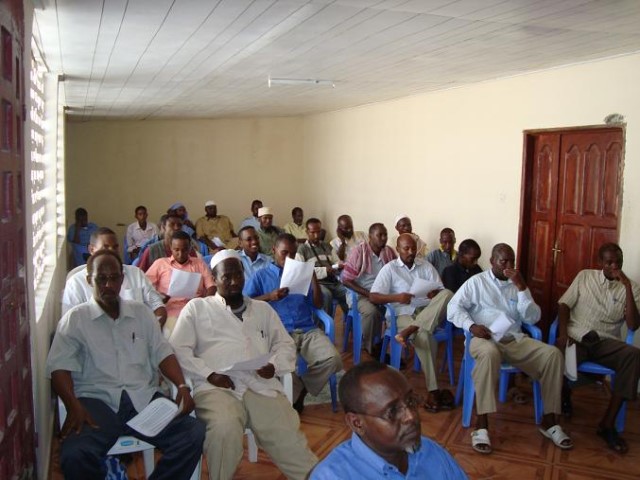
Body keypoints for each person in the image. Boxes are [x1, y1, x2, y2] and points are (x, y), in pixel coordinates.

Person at [46, 250, 205, 480]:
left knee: (192, 433)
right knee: (75, 454)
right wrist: (73, 405)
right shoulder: (75, 319)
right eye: (101, 279)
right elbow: (59, 367)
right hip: (96, 404)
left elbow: (163, 352)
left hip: (144, 401)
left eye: (114, 278)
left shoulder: (142, 314)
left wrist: (182, 386)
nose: (108, 285)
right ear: (89, 280)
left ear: (122, 279)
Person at [169, 249, 318, 480]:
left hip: (259, 383)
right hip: (216, 387)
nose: (233, 282)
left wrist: (274, 365)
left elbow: (285, 344)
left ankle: (315, 477)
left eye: (238, 275)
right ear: (214, 278)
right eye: (226, 277)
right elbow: (178, 349)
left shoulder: (262, 309)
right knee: (224, 428)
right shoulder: (197, 308)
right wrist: (209, 374)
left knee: (286, 432)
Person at [447, 243, 572, 454]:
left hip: (513, 339)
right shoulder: (477, 282)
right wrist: (472, 326)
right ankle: (481, 424)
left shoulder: (517, 284)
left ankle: (550, 420)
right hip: (484, 339)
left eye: (511, 261)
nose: (508, 266)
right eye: (503, 261)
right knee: (489, 353)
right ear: (492, 261)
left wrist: (522, 289)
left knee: (553, 355)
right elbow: (453, 307)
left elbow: (533, 318)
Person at [310, 361, 468, 479]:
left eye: (411, 401)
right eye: (392, 411)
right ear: (356, 423)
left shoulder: (430, 451)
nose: (411, 416)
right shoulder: (332, 476)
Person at [556, 242, 640, 453]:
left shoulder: (632, 287)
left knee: (633, 356)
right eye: (609, 262)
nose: (615, 266)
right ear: (600, 262)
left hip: (605, 341)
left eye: (618, 262)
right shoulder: (585, 276)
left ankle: (607, 424)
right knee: (559, 356)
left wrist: (627, 287)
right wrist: (563, 334)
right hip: (578, 335)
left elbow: (633, 325)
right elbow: (564, 305)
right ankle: (563, 398)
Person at [245, 233, 343, 413]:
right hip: (278, 332)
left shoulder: (301, 274)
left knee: (333, 360)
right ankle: (294, 391)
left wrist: (313, 278)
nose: (289, 258)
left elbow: (318, 304)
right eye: (284, 253)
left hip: (307, 329)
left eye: (292, 253)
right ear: (274, 250)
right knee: (282, 368)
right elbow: (245, 304)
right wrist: (270, 296)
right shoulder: (261, 276)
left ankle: (300, 389)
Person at [370, 234, 454, 412]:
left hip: (425, 311)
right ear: (397, 249)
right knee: (424, 336)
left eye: (413, 248)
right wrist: (397, 297)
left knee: (447, 293)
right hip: (402, 314)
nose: (410, 252)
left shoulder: (425, 265)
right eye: (406, 248)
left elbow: (440, 291)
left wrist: (434, 294)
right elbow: (374, 296)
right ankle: (433, 391)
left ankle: (411, 329)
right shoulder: (390, 269)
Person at [62, 227, 167, 327]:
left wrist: (152, 331)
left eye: (115, 247)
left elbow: (158, 306)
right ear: (92, 249)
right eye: (105, 247)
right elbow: (70, 322)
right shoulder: (76, 283)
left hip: (136, 335)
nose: (111, 251)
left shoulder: (135, 274)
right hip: (95, 337)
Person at [341, 223, 396, 356]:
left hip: (382, 293)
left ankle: (386, 344)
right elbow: (346, 280)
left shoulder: (388, 252)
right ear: (370, 237)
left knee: (401, 309)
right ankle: (369, 346)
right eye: (380, 235)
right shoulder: (359, 252)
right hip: (361, 294)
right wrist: (368, 294)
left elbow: (396, 273)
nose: (384, 238)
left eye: (385, 235)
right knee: (371, 312)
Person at [145, 231, 215, 333]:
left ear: (190, 248)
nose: (180, 254)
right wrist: (159, 298)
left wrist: (205, 303)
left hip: (195, 309)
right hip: (169, 311)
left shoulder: (199, 264)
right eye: (176, 250)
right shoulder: (160, 264)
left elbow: (211, 286)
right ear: (170, 248)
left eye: (184, 250)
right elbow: (146, 287)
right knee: (175, 334)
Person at [296, 218, 349, 317]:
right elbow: (301, 271)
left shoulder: (327, 246)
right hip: (316, 283)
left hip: (332, 280)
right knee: (326, 295)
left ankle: (350, 320)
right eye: (313, 232)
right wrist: (325, 270)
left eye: (318, 232)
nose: (316, 235)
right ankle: (325, 324)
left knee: (348, 293)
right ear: (307, 232)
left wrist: (339, 265)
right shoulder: (302, 249)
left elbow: (336, 260)